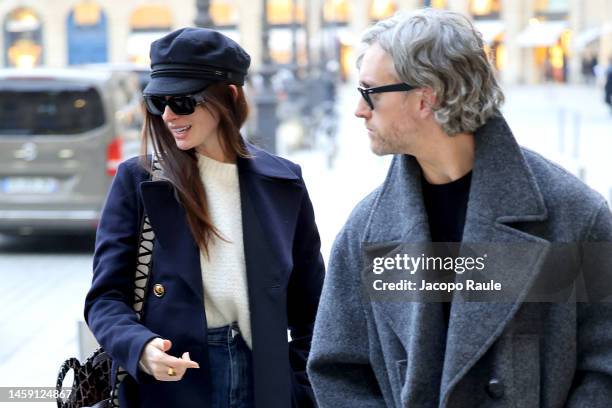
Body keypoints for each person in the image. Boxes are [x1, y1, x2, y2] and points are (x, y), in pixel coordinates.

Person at [307, 9, 612, 407]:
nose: (359, 110)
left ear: (425, 97)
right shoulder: (366, 229)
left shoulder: (572, 216)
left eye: (370, 92)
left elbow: (604, 367)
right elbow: (337, 371)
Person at [85, 27, 324, 408]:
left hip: (265, 383)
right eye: (157, 102)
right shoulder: (140, 181)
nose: (167, 116)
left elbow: (313, 307)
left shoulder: (284, 181)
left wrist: (300, 386)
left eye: (182, 102)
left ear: (228, 97)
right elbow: (105, 298)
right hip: (170, 384)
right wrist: (140, 347)